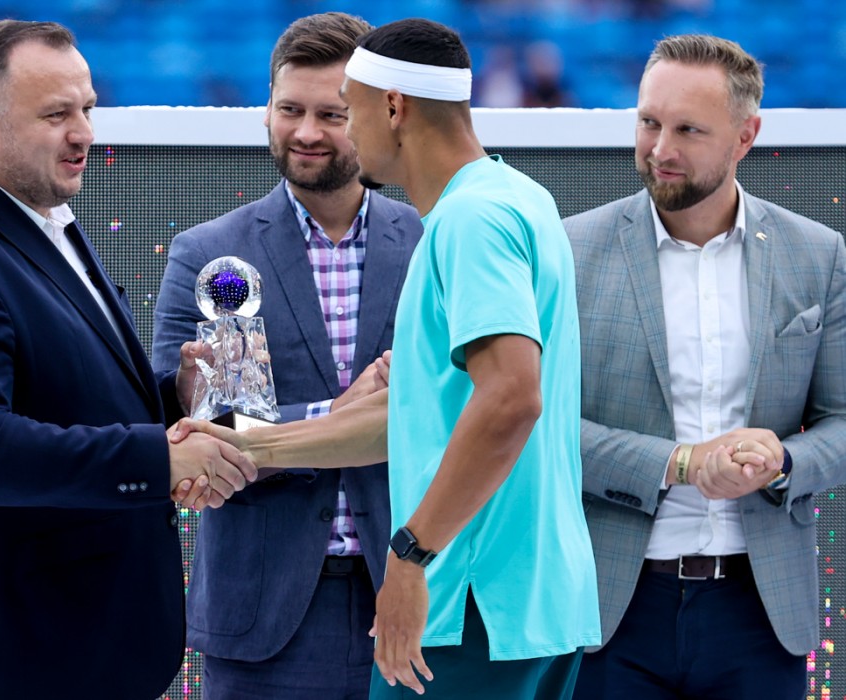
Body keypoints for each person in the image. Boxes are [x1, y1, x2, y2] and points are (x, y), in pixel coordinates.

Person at [171, 18, 601, 699]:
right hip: (529, 600)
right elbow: (416, 416)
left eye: (346, 107)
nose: (335, 129)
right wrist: (249, 444)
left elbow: (511, 400)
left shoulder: (465, 222)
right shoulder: (520, 199)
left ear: (393, 106)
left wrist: (410, 555)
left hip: (470, 595)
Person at [0, 20, 255, 700]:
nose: (84, 133)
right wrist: (159, 458)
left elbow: (60, 390)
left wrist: (173, 396)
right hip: (8, 652)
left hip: (67, 641)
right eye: (56, 115)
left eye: (88, 109)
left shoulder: (34, 214)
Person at [564, 34, 846, 700]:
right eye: (649, 122)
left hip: (761, 614)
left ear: (745, 137)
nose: (660, 149)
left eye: (688, 129)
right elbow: (539, 429)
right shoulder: (569, 251)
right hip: (610, 611)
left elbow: (841, 422)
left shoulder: (818, 254)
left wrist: (784, 460)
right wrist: (680, 464)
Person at [151, 13, 423, 698]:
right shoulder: (208, 254)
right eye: (289, 109)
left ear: (378, 115)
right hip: (262, 616)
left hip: (413, 601)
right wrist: (338, 414)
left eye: (331, 114)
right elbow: (192, 438)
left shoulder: (430, 244)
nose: (305, 132)